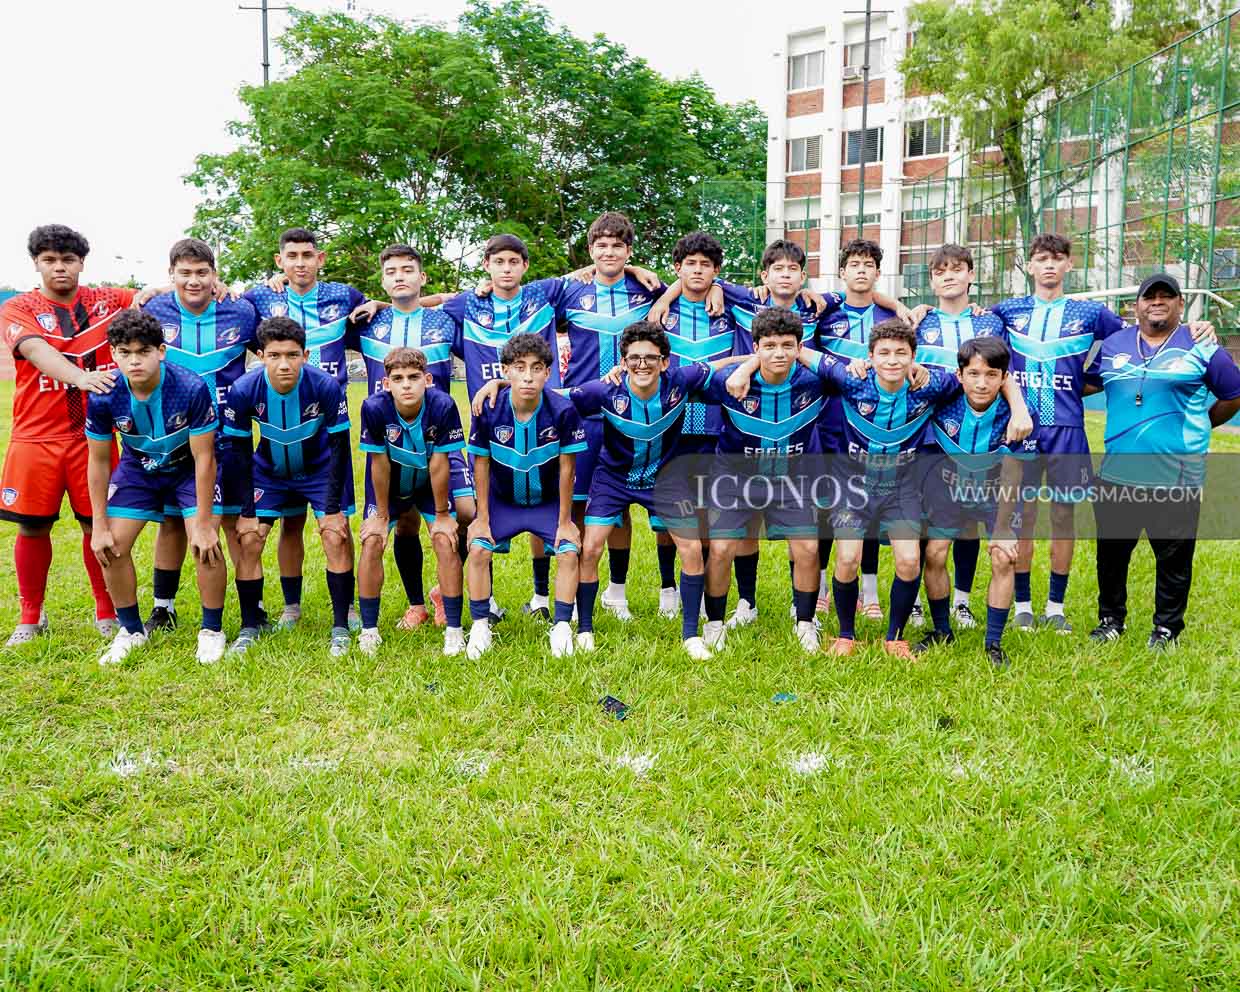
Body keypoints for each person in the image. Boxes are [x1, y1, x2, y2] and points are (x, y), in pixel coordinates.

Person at [472, 321, 749, 656]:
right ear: (623, 362)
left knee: (690, 548)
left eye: (650, 358)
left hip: (665, 479)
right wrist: (503, 382)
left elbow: (718, 365)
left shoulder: (680, 381)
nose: (642, 364)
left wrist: (752, 363)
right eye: (634, 358)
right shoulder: (605, 390)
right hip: (614, 478)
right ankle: (585, 630)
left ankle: (691, 635)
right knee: (589, 548)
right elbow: (551, 394)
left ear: (664, 362)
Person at [1087, 273, 1240, 649]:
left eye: (1166, 296)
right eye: (1149, 296)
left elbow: (1234, 393)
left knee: (1174, 560)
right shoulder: (1115, 343)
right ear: (1136, 305)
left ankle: (1166, 628)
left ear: (1180, 303)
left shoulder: (1200, 343)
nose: (1157, 301)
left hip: (1176, 476)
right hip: (1117, 475)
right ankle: (1111, 620)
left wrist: (1203, 422)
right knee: (1111, 556)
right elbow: (1089, 382)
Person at [1, 224, 133, 645]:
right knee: (32, 528)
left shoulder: (107, 300)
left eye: (68, 259)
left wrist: (212, 283)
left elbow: (155, 296)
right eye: (50, 260)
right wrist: (80, 377)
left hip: (93, 439)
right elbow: (36, 351)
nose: (59, 267)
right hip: (35, 439)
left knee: (99, 525)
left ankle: (106, 610)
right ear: (36, 264)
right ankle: (31, 616)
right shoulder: (19, 307)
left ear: (81, 263)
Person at [800, 319, 958, 658]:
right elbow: (799, 351)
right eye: (883, 353)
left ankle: (895, 638)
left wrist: (1018, 407)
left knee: (910, 561)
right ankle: (846, 636)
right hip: (852, 488)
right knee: (847, 558)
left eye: (901, 353)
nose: (892, 360)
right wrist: (749, 366)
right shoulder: (852, 379)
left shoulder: (929, 386)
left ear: (913, 357)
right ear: (870, 356)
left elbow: (978, 374)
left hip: (900, 490)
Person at [704, 308, 852, 654]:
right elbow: (681, 377)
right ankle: (715, 624)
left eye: (788, 345)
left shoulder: (814, 381)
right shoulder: (729, 382)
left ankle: (805, 623)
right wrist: (745, 365)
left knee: (808, 549)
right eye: (769, 346)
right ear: (756, 347)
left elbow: (849, 375)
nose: (779, 353)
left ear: (800, 347)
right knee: (722, 548)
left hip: (792, 480)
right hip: (736, 478)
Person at [84, 310, 225, 665]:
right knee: (111, 546)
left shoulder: (190, 387)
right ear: (113, 354)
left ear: (160, 351)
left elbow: (205, 457)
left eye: (143, 351)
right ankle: (131, 631)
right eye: (125, 352)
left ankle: (212, 631)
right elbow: (98, 461)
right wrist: (98, 524)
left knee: (204, 544)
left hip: (188, 468)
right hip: (139, 470)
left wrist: (204, 523)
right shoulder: (104, 394)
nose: (134, 361)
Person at [244, 228, 367, 629]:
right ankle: (291, 607)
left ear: (320, 258)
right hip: (278, 426)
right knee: (290, 523)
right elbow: (218, 299)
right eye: (292, 256)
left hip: (325, 424)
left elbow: (393, 305)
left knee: (336, 526)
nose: (300, 263)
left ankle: (347, 607)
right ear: (279, 261)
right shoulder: (260, 298)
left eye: (307, 255)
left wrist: (380, 301)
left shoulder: (343, 296)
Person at [139, 238, 260, 634]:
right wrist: (156, 289)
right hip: (173, 439)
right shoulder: (154, 309)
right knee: (172, 523)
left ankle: (253, 611)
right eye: (184, 273)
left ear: (214, 275)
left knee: (233, 523)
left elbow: (274, 346)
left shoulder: (241, 310)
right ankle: (163, 608)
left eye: (202, 273)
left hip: (229, 436)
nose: (194, 280)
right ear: (171, 274)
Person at [352, 243, 475, 630]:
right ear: (382, 280)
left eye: (408, 270)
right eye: (391, 272)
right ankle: (417, 603)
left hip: (440, 440)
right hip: (391, 444)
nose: (399, 276)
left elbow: (472, 311)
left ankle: (446, 588)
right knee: (404, 524)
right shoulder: (367, 322)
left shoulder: (445, 321)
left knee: (467, 513)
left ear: (422, 277)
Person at [222, 317, 356, 656]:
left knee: (335, 535)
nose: (284, 364)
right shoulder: (244, 390)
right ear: (260, 357)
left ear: (305, 355)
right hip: (269, 471)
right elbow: (240, 451)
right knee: (250, 538)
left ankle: (341, 625)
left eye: (292, 355)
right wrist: (247, 511)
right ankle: (252, 624)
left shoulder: (325, 386)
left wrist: (332, 509)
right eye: (274, 355)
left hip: (319, 469)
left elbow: (341, 447)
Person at [555, 212, 665, 621]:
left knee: (618, 505)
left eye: (617, 245)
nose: (609, 252)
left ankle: (616, 593)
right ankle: (566, 591)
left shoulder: (646, 288)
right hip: (583, 411)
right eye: (601, 245)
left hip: (631, 415)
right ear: (590, 250)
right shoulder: (571, 290)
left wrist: (639, 272)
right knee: (578, 504)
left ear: (629, 250)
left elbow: (690, 285)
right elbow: (521, 294)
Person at [640, 231, 750, 618]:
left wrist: (719, 287)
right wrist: (668, 295)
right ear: (677, 268)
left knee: (704, 511)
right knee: (667, 515)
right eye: (691, 264)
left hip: (716, 425)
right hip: (669, 425)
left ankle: (702, 590)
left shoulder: (729, 309)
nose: (698, 271)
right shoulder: (658, 308)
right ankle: (667, 587)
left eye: (706, 265)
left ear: (717, 271)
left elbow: (759, 296)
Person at [914, 244, 1019, 630]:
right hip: (932, 432)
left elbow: (1005, 373)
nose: (949, 276)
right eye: (941, 271)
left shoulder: (990, 322)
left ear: (971, 275)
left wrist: (1019, 408)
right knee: (931, 528)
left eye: (957, 269)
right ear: (931, 280)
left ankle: (962, 601)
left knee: (972, 523)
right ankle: (920, 604)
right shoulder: (919, 321)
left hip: (983, 430)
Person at [464, 333, 587, 659]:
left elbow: (567, 469)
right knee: (478, 548)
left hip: (546, 502)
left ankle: (562, 626)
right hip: (503, 502)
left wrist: (565, 521)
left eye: (536, 368)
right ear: (506, 371)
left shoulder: (562, 410)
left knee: (568, 550)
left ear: (548, 372)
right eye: (520, 367)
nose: (528, 376)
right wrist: (481, 518)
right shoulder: (488, 408)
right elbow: (481, 464)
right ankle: (480, 625)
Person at [917, 336, 1033, 668]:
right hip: (949, 490)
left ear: (1004, 378)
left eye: (991, 375)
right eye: (974, 374)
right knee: (934, 553)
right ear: (960, 375)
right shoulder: (944, 398)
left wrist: (1003, 529)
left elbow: (1013, 471)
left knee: (1004, 557)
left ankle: (993, 642)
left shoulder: (1019, 414)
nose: (982, 383)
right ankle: (942, 630)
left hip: (995, 494)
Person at [357, 348, 468, 656]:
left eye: (413, 377)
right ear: (386, 384)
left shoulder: (443, 405)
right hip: (391, 485)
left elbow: (440, 463)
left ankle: (454, 630)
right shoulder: (374, 408)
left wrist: (442, 514)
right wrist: (381, 515)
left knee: (445, 539)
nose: (406, 384)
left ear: (427, 380)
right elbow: (378, 463)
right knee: (372, 542)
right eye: (398, 378)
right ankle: (369, 631)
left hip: (429, 482)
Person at [814, 239, 901, 624]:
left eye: (868, 265)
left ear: (878, 273)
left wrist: (897, 305)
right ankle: (820, 587)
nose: (861, 270)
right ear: (842, 272)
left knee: (870, 507)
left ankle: (869, 590)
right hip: (828, 423)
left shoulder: (891, 317)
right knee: (825, 506)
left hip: (874, 428)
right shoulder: (825, 313)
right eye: (854, 264)